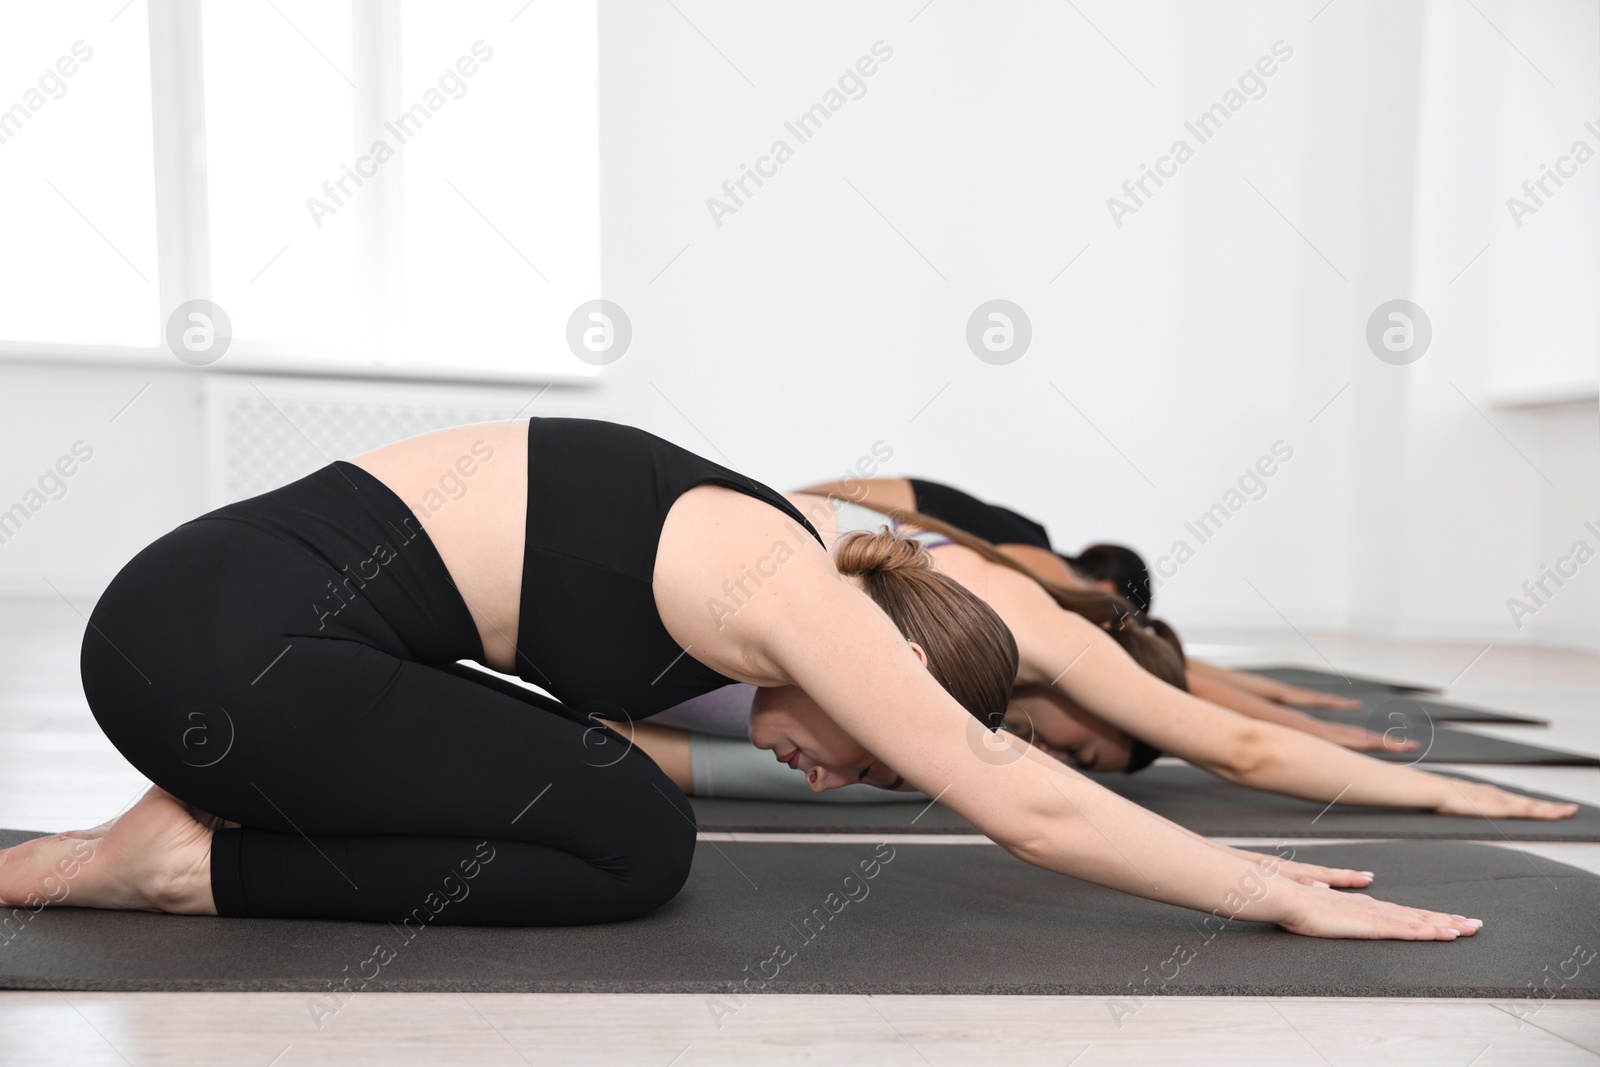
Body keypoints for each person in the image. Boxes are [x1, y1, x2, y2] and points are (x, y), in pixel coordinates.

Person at [0, 420, 1503, 940]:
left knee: (605, 789)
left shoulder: (769, 559)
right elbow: (1024, 803)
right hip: (227, 651)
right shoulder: (795, 595)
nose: (846, 775)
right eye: (880, 754)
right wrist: (1273, 891)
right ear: (891, 669)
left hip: (195, 628)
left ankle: (182, 842)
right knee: (637, 839)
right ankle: (188, 869)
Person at [797, 476, 1414, 754]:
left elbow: (1179, 672)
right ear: (1112, 590)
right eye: (1124, 616)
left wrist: (1291, 702)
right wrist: (1314, 728)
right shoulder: (1032, 567)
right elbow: (1173, 683)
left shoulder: (1023, 561)